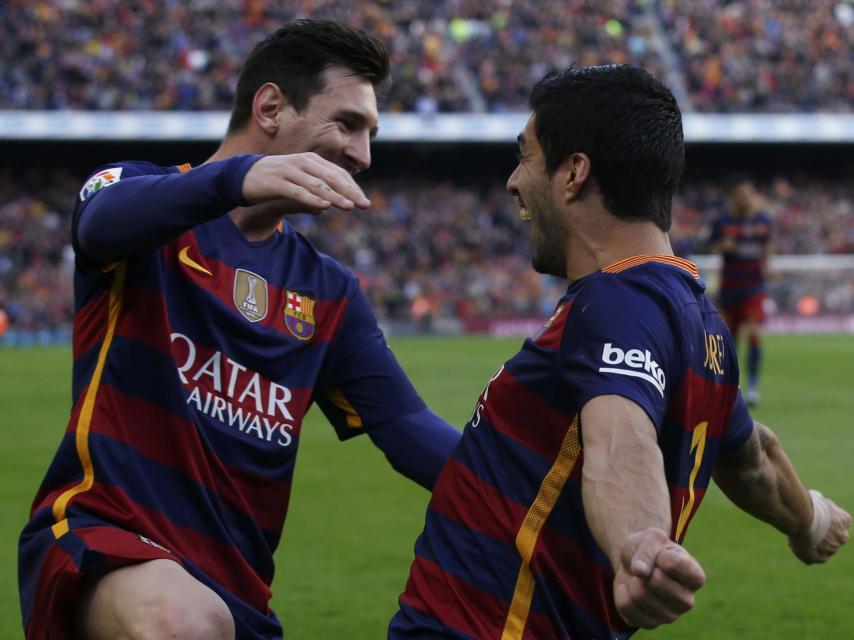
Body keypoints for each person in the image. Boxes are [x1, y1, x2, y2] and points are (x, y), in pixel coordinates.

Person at [18, 19, 461, 640]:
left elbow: (408, 429)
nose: (363, 155)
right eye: (349, 123)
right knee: (182, 624)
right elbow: (100, 225)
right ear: (271, 106)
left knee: (203, 621)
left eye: (371, 133)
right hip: (105, 537)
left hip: (235, 593)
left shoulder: (328, 291)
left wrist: (543, 497)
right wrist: (236, 178)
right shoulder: (139, 194)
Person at [388, 65, 850, 639]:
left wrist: (640, 543)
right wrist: (808, 518)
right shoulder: (700, 323)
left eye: (526, 157)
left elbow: (619, 439)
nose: (512, 181)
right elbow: (753, 457)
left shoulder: (614, 299)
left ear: (574, 174)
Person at [708, 176, 773, 406]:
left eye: (749, 193)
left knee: (755, 331)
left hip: (753, 286)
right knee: (729, 339)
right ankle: (730, 386)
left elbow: (766, 247)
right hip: (730, 287)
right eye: (741, 194)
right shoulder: (723, 222)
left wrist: (768, 266)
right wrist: (720, 246)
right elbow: (707, 245)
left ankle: (754, 385)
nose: (746, 198)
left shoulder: (763, 221)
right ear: (734, 197)